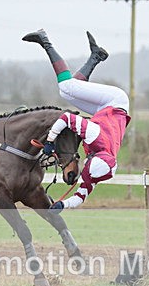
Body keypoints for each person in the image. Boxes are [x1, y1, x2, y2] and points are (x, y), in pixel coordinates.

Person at [23, 29, 130, 211]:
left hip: (106, 112)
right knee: (66, 86)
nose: (84, 165)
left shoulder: (102, 169)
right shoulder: (95, 137)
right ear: (94, 159)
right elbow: (66, 118)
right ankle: (45, 41)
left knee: (67, 92)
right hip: (114, 101)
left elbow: (81, 195)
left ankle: (96, 57)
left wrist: (63, 204)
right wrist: (50, 141)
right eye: (87, 164)